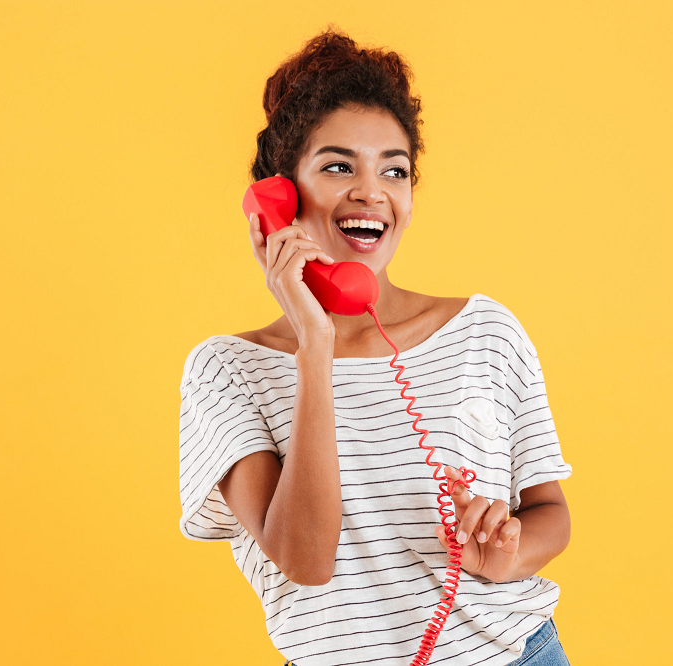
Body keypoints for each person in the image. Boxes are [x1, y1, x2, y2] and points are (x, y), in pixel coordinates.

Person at [178, 28, 574, 666]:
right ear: (278, 199)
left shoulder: (486, 332)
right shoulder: (227, 372)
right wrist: (315, 342)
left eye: (394, 169)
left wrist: (506, 553)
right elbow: (304, 561)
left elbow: (551, 511)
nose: (371, 190)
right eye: (339, 166)